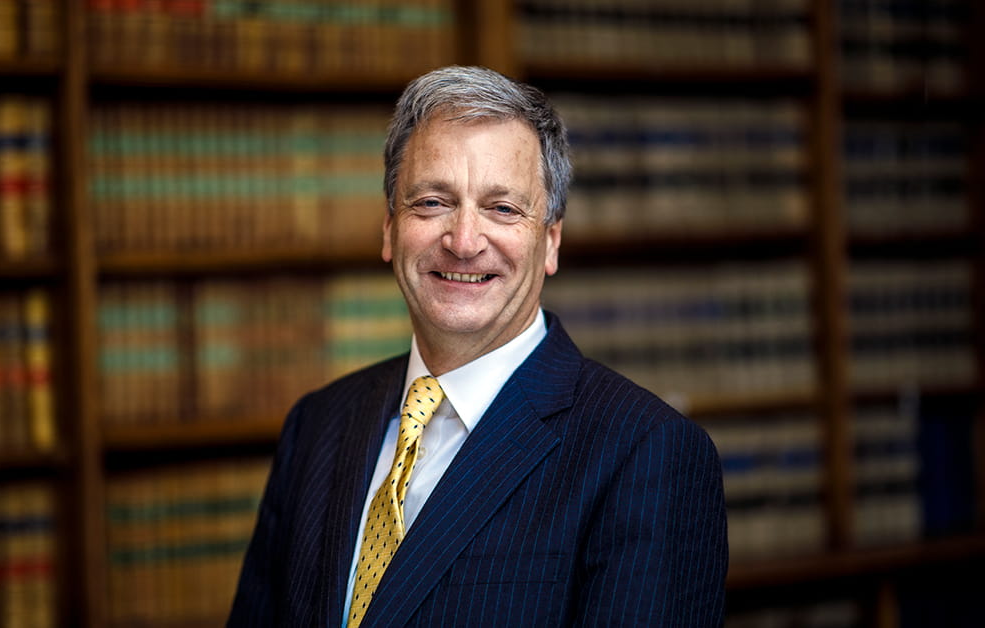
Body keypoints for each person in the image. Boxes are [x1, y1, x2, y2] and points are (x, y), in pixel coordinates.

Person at [227, 65, 727, 627]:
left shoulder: (646, 452)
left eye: (503, 208)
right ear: (389, 229)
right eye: (432, 202)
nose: (464, 241)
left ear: (551, 242)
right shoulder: (316, 426)